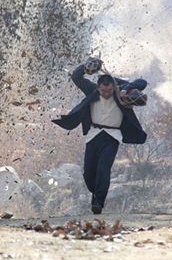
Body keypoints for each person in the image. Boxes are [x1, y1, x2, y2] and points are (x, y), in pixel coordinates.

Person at [52, 58, 147, 214]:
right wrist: (87, 66)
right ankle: (96, 193)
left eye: (109, 91)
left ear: (113, 87)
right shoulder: (92, 90)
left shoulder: (121, 92)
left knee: (104, 168)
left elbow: (142, 82)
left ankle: (98, 203)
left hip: (112, 136)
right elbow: (76, 77)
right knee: (88, 174)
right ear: (98, 87)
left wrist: (126, 88)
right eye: (103, 91)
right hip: (93, 134)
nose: (106, 94)